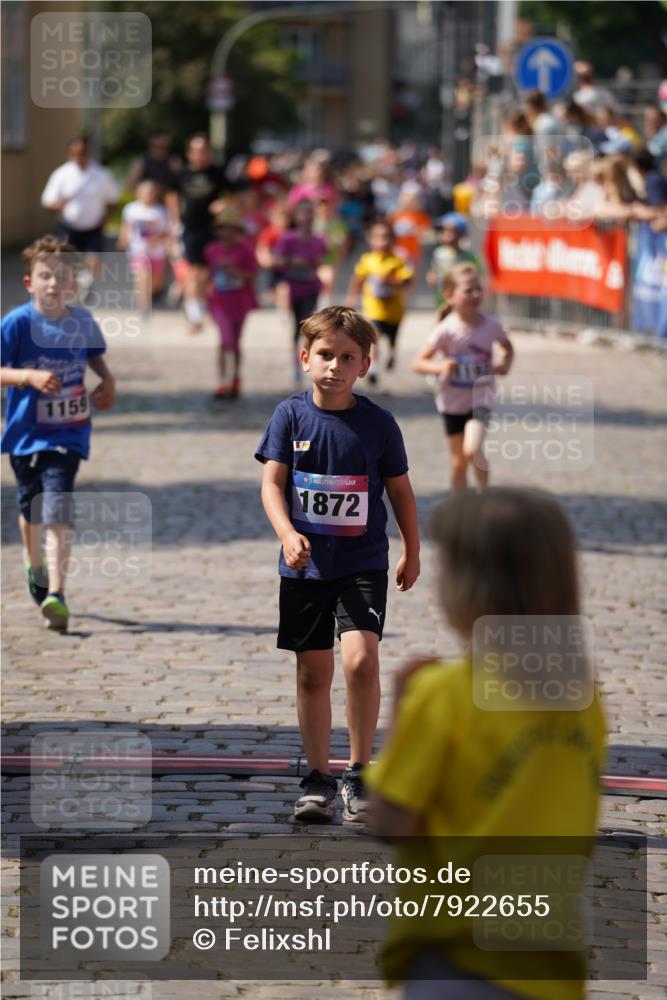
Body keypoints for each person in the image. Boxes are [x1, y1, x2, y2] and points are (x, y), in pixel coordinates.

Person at [365, 486, 606, 999]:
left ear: (470, 591)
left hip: (456, 959)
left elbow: (389, 821)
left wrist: (401, 719)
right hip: (553, 968)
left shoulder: (445, 695)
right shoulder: (586, 703)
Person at [255, 306, 420, 824]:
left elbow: (400, 491)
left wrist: (413, 547)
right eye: (326, 354)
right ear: (305, 358)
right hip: (304, 567)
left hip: (363, 563)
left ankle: (359, 772)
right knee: (312, 671)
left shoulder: (378, 424)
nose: (335, 365)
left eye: (348, 357)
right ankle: (317, 778)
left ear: (364, 365)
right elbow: (272, 485)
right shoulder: (290, 416)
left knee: (360, 660)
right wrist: (287, 534)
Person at [0, 236, 115, 631]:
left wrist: (108, 380)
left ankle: (57, 593)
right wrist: (25, 376)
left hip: (68, 434)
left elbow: (93, 353)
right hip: (26, 434)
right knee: (30, 509)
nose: (53, 283)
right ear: (30, 282)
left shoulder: (82, 321)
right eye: (45, 275)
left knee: (57, 509)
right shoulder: (17, 323)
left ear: (74, 283)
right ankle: (35, 566)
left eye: (62, 277)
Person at [412, 264, 513, 490]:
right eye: (468, 290)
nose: (476, 294)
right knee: (458, 462)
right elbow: (418, 363)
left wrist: (505, 363)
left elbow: (508, 347)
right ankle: (460, 508)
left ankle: (485, 497)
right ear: (449, 296)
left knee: (473, 449)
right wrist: (440, 367)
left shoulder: (492, 325)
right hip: (452, 402)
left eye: (478, 289)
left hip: (481, 399)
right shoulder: (445, 330)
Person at [172, 135, 236, 334]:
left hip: (213, 230)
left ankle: (196, 307)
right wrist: (175, 220)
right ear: (189, 153)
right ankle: (195, 317)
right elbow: (171, 195)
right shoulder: (182, 173)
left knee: (207, 274)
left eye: (205, 150)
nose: (202, 154)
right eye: (197, 150)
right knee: (195, 271)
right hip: (191, 229)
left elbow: (234, 193)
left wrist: (224, 203)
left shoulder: (216, 173)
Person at [41, 136, 119, 281]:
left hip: (94, 227)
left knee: (94, 259)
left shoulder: (101, 174)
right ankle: (73, 283)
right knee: (67, 260)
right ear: (70, 153)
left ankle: (88, 284)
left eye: (83, 152)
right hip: (69, 227)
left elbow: (112, 201)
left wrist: (105, 220)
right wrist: (61, 203)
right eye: (76, 153)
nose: (80, 156)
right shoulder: (61, 174)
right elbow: (48, 202)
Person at [346, 220, 413, 383]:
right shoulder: (367, 260)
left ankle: (392, 354)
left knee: (392, 339)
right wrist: (352, 298)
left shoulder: (398, 260)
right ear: (371, 240)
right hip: (373, 309)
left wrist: (390, 281)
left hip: (394, 311)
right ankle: (374, 367)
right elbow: (358, 279)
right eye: (378, 238)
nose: (382, 242)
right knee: (373, 338)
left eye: (386, 238)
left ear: (393, 240)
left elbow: (407, 281)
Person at [203, 205, 258, 399]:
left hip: (239, 301)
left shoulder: (245, 251)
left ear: (238, 232)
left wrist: (234, 271)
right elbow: (208, 276)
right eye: (222, 228)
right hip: (219, 301)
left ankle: (234, 379)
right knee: (224, 341)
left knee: (234, 342)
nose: (226, 233)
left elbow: (252, 274)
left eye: (231, 229)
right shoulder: (212, 250)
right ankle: (221, 382)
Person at [272, 199, 327, 383]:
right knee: (296, 327)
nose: (307, 217)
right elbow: (276, 260)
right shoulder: (288, 238)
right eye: (303, 213)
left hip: (311, 287)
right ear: (296, 216)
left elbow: (323, 260)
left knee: (309, 327)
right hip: (294, 288)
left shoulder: (318, 239)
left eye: (310, 213)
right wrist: (293, 261)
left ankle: (311, 362)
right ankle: (295, 363)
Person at [116, 179, 172, 317]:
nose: (149, 195)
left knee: (156, 282)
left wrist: (160, 240)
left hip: (157, 251)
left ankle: (153, 294)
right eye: (146, 192)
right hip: (138, 250)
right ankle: (144, 306)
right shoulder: (131, 208)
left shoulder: (162, 210)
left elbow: (166, 231)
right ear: (138, 193)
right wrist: (122, 239)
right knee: (142, 276)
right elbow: (126, 226)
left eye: (152, 192)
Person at [426, 214, 480, 308]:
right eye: (443, 230)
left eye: (450, 231)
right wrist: (432, 278)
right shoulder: (439, 253)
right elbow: (434, 273)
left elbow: (476, 279)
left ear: (461, 234)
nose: (445, 234)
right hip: (442, 302)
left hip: (463, 304)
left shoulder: (469, 257)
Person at [125, 130, 181, 196]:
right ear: (150, 146)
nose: (160, 150)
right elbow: (130, 187)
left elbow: (180, 186)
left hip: (167, 200)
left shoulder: (173, 162)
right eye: (157, 146)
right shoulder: (142, 162)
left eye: (164, 147)